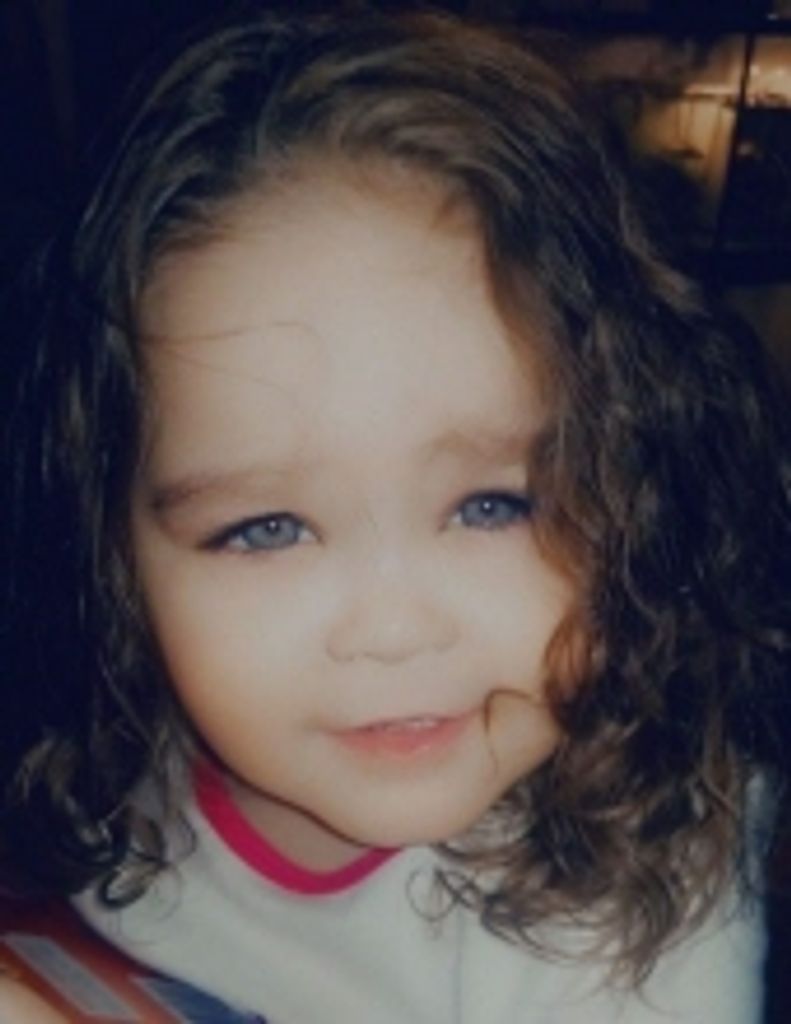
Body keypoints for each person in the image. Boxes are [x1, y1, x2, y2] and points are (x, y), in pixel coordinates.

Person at [1, 8, 789, 1022]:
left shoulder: (656, 872)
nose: (394, 628)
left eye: (492, 505)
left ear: (637, 489)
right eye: (266, 528)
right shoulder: (98, 785)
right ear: (113, 557)